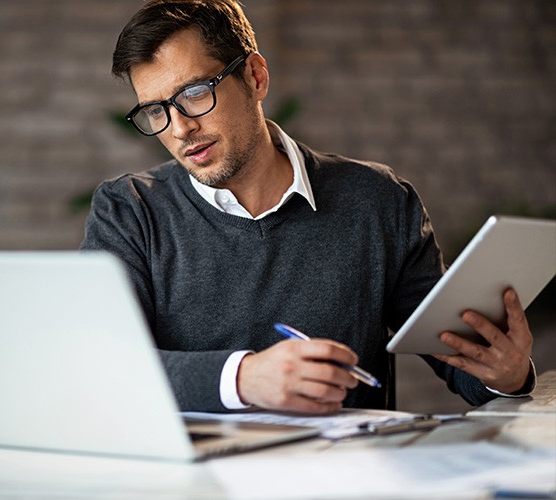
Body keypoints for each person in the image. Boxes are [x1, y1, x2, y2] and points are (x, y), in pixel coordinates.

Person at [80, 0, 536, 413]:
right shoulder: (128, 211)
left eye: (195, 94)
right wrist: (244, 379)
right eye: (155, 111)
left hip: (344, 475)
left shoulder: (379, 201)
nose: (179, 129)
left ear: (256, 77)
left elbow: (460, 361)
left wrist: (506, 375)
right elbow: (99, 364)